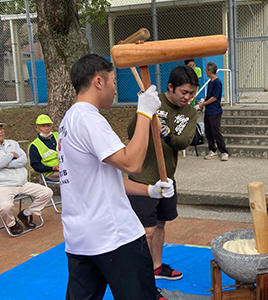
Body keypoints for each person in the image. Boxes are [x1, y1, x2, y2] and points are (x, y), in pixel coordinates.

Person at [59, 54, 174, 300]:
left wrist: (150, 190)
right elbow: (132, 162)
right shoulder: (89, 119)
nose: (115, 89)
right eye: (113, 82)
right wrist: (144, 113)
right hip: (114, 238)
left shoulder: (69, 120)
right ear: (98, 82)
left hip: (82, 239)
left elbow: (105, 182)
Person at [127, 65, 199, 281]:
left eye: (191, 93)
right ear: (170, 87)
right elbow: (131, 133)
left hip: (167, 179)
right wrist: (143, 111)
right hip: (143, 178)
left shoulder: (190, 111)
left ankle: (156, 266)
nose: (187, 97)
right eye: (183, 92)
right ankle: (143, 275)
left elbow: (184, 141)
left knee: (160, 224)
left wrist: (167, 135)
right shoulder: (153, 102)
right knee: (146, 230)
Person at [0, 118, 52, 235]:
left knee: (47, 193)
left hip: (22, 182)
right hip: (2, 186)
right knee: (5, 206)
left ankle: (26, 214)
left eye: (1, 128)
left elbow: (23, 159)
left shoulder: (13, 143)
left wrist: (6, 164)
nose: (0, 132)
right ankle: (12, 224)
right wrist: (11, 155)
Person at [197, 61, 229, 161]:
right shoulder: (210, 82)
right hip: (208, 111)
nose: (205, 71)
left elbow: (214, 97)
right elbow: (209, 96)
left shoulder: (217, 82)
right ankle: (212, 150)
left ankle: (223, 152)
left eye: (206, 69)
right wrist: (203, 101)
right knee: (208, 131)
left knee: (215, 131)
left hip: (215, 111)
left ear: (210, 71)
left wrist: (203, 104)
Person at [29, 114, 60, 181]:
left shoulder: (59, 135)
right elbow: (36, 165)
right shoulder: (34, 145)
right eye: (43, 126)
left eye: (48, 125)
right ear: (37, 128)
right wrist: (52, 168)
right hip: (52, 172)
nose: (46, 128)